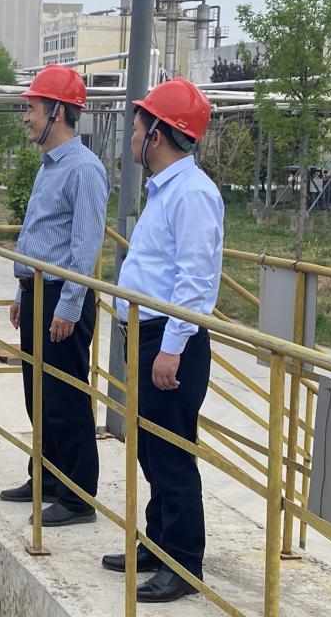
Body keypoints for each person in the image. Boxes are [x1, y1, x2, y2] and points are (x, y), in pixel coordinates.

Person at [102, 78, 223, 603]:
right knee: (151, 449)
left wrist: (171, 348)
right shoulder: (167, 189)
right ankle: (158, 542)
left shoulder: (193, 194)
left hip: (172, 342)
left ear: (158, 133)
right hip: (148, 334)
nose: (132, 136)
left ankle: (183, 563)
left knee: (171, 455)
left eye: (137, 127)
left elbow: (195, 281)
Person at [1, 64, 109, 527]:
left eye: (32, 108)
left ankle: (78, 496)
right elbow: (41, 236)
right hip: (38, 293)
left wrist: (67, 307)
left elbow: (84, 247)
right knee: (38, 394)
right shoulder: (50, 167)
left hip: (64, 298)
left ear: (58, 112)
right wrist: (22, 290)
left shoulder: (84, 170)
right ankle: (46, 477)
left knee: (65, 398)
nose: (26, 117)